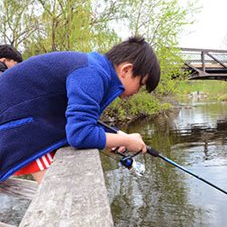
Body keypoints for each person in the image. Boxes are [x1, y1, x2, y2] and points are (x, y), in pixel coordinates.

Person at [0, 36, 160, 183]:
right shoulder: (92, 74)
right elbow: (80, 134)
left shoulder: (94, 69)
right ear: (126, 70)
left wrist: (115, 135)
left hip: (28, 121)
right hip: (20, 126)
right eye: (141, 84)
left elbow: (81, 121)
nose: (137, 91)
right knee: (58, 195)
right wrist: (127, 141)